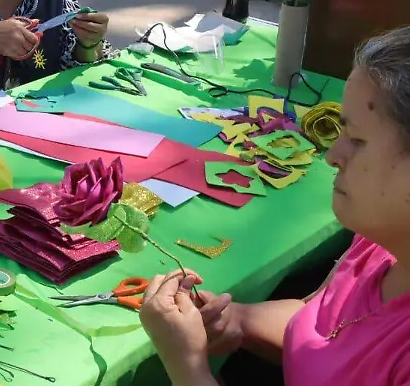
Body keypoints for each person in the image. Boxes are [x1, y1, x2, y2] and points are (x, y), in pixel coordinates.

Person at [140, 25, 410, 386]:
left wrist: (188, 368)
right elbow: (316, 323)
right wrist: (235, 319)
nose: (332, 156)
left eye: (357, 140)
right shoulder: (383, 243)